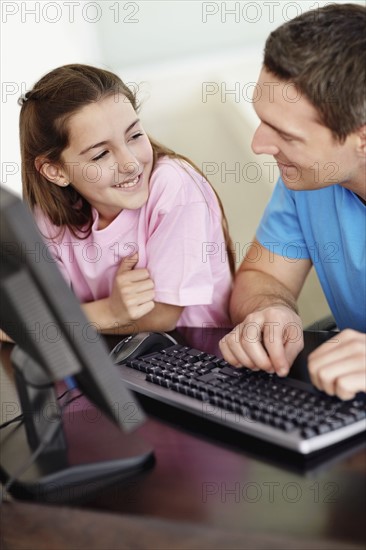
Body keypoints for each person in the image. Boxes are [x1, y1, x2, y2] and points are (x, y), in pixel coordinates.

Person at [10, 63, 234, 337]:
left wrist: (84, 317)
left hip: (198, 357)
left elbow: (163, 316)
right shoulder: (49, 216)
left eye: (135, 135)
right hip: (117, 355)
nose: (130, 163)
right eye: (100, 155)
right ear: (55, 171)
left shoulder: (173, 185)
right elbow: (14, 319)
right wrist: (109, 312)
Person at [219, 3, 366, 401]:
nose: (259, 145)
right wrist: (270, 311)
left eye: (285, 134)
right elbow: (262, 278)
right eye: (262, 120)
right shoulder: (310, 179)